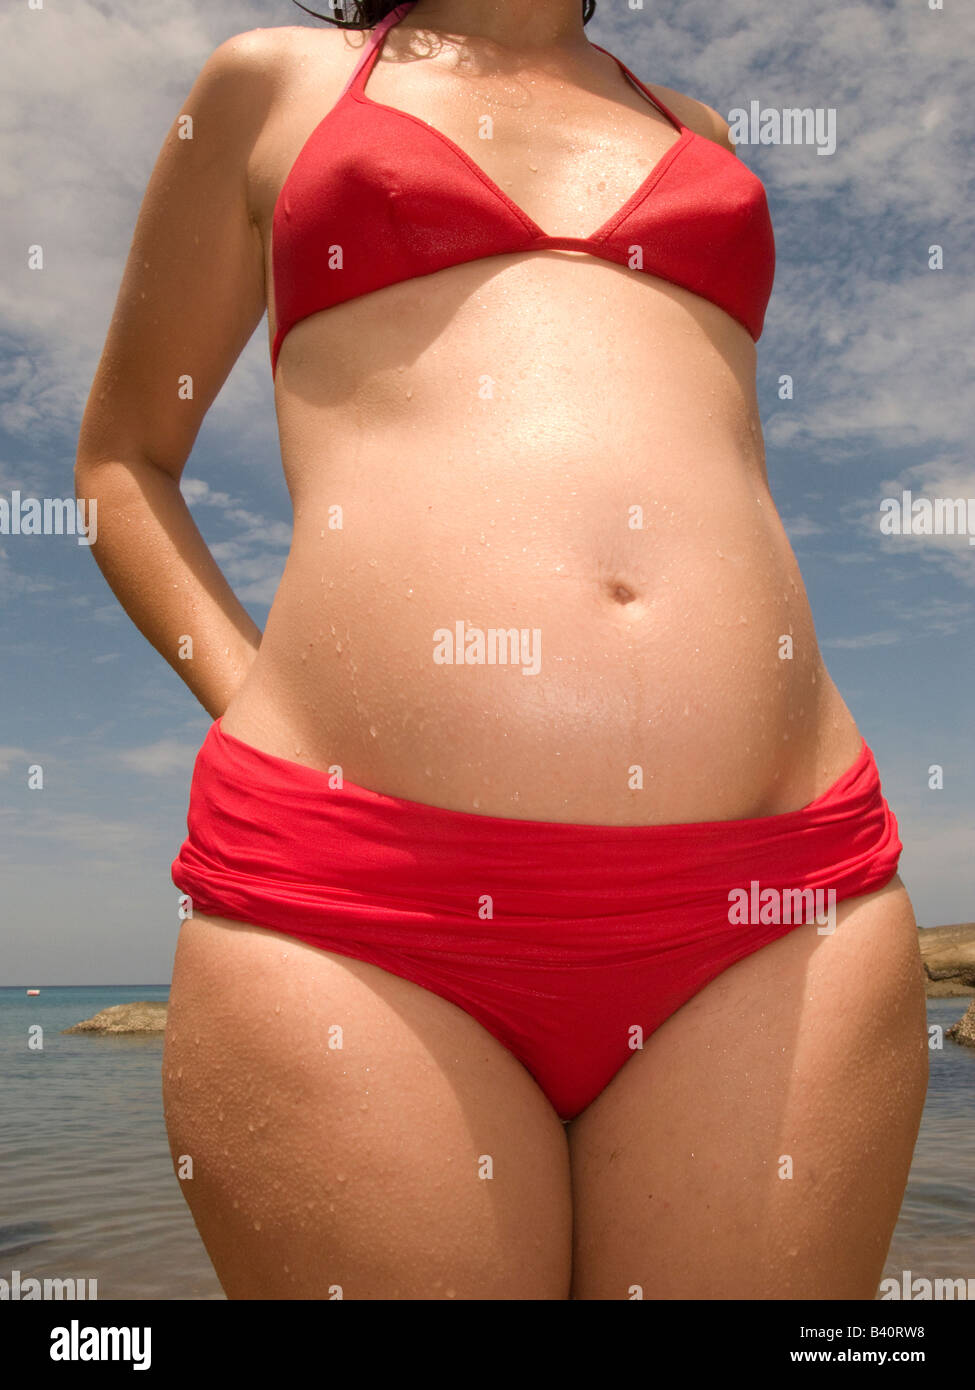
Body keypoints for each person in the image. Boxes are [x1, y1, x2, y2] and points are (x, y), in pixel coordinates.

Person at [75, 0, 928, 1300]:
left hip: (779, 895)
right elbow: (123, 463)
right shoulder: (274, 83)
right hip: (357, 904)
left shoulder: (693, 128)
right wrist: (264, 705)